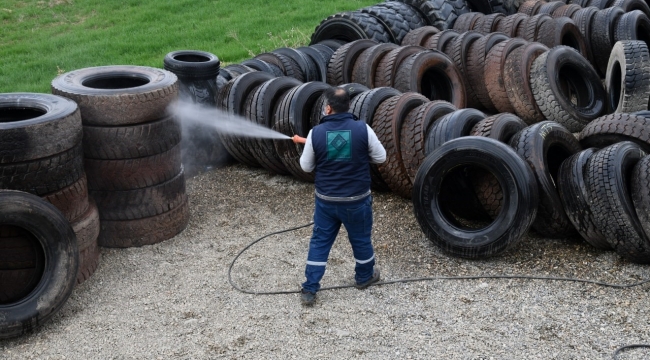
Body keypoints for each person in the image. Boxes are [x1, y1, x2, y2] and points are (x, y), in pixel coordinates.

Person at [292, 86, 387, 306]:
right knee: (361, 240)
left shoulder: (316, 133)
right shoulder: (363, 129)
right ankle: (364, 278)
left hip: (326, 202)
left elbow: (306, 167)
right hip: (357, 201)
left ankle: (309, 289)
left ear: (328, 108)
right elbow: (381, 157)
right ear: (348, 106)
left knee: (320, 243)